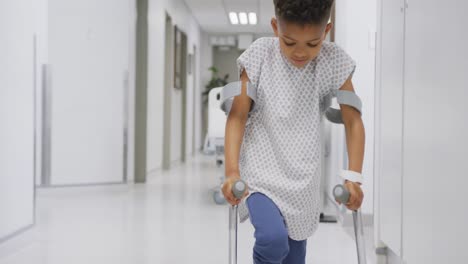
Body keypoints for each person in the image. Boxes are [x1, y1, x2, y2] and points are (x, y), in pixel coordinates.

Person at [221, 0, 365, 263]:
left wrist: (353, 178)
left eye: (312, 43)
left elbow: (353, 120)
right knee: (272, 241)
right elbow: (238, 115)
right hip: (260, 176)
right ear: (276, 27)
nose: (300, 53)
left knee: (293, 256)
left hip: (304, 183)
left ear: (327, 30)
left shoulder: (333, 61)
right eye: (289, 42)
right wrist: (232, 172)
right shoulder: (260, 55)